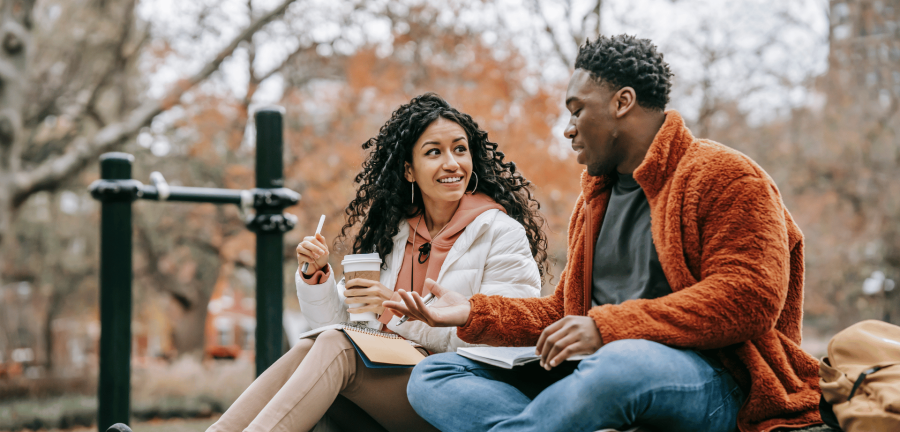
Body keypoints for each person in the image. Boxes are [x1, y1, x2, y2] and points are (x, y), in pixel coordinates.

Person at [388, 35, 822, 432]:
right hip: (597, 372)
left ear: (622, 102)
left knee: (620, 362)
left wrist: (607, 328)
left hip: (713, 379)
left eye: (577, 110)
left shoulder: (723, 175)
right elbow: (563, 313)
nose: (568, 127)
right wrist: (472, 312)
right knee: (434, 375)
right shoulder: (595, 198)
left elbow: (749, 297)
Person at [206, 93, 549, 432]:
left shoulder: (500, 233)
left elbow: (505, 337)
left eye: (460, 149)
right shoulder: (393, 234)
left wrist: (398, 309)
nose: (452, 163)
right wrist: (318, 277)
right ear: (409, 171)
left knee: (335, 349)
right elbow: (342, 327)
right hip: (387, 380)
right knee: (314, 345)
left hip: (452, 392)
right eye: (434, 152)